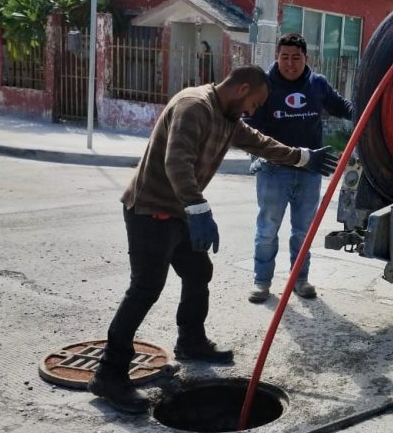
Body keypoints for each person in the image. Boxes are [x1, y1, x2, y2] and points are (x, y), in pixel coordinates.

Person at [87, 65, 338, 414]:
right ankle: (109, 374)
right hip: (151, 210)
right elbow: (177, 162)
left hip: (179, 213)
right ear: (242, 88)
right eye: (255, 103)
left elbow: (260, 143)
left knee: (197, 272)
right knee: (145, 288)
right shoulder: (194, 107)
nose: (254, 112)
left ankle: (190, 341)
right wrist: (198, 208)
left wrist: (303, 157)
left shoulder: (227, 116)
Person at [244, 33, 353, 304]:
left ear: (306, 58)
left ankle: (300, 279)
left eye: (296, 58)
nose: (290, 63)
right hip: (273, 171)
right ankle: (262, 282)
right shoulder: (264, 86)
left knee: (303, 231)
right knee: (267, 229)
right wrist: (255, 154)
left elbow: (345, 108)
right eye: (284, 57)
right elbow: (249, 127)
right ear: (277, 57)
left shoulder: (318, 84)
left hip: (310, 172)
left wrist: (368, 112)